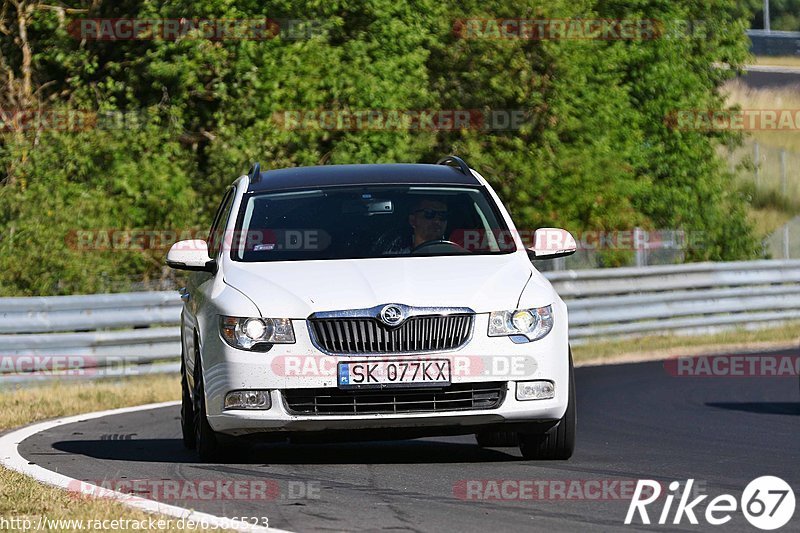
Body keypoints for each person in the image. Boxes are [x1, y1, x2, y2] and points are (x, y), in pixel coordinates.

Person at [377, 197, 449, 254]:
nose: (437, 221)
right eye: (429, 214)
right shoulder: (393, 259)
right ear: (413, 220)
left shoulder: (457, 255)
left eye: (443, 215)